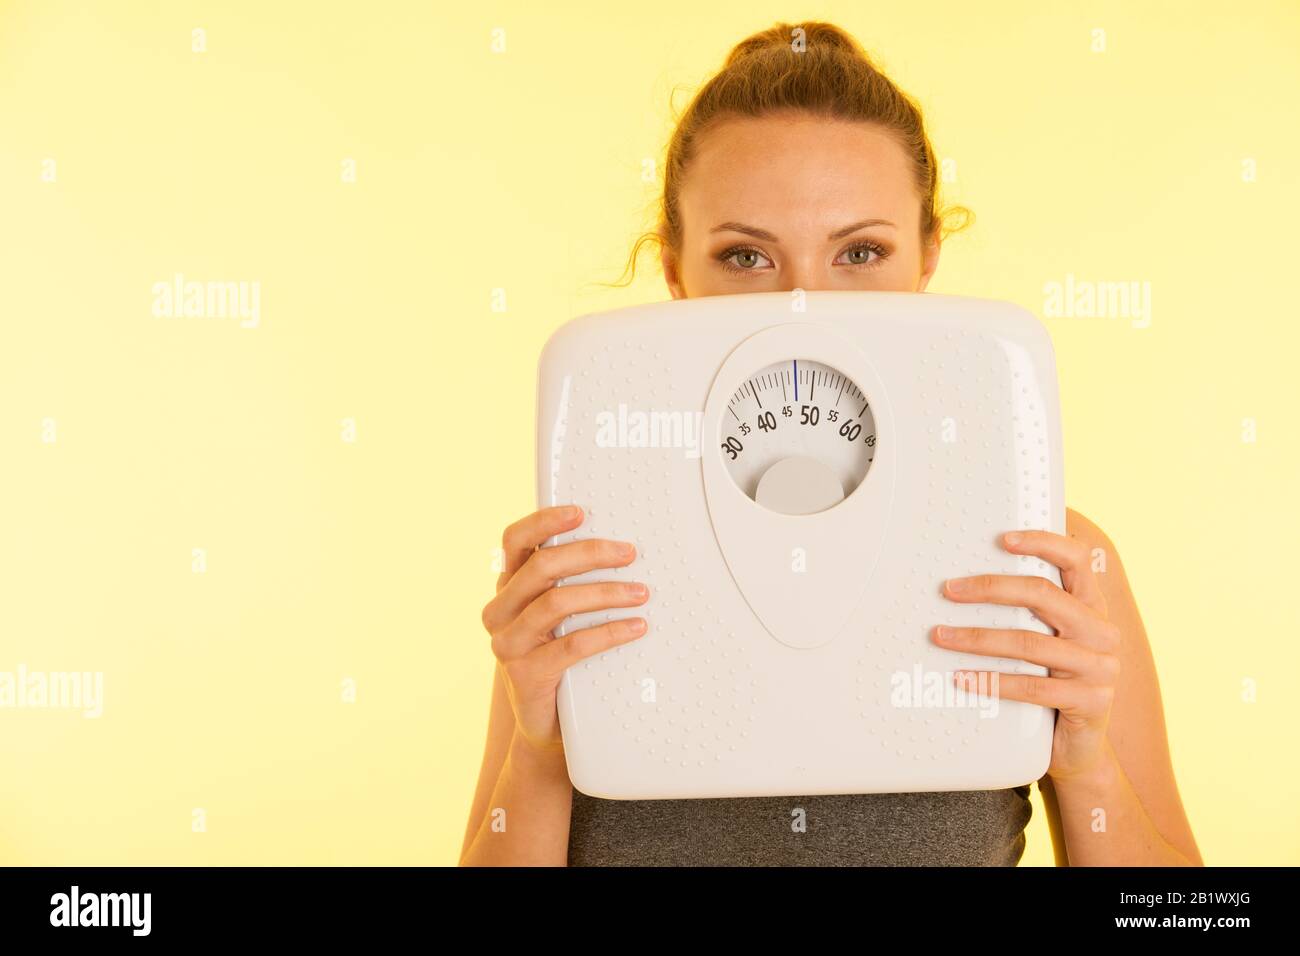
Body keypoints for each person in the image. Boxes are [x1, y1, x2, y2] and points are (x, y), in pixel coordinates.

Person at [460, 20, 1202, 866]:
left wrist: (1089, 766)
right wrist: (542, 749)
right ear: (676, 275)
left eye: (859, 250)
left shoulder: (1051, 564)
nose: (804, 303)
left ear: (926, 259)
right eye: (745, 255)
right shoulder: (591, 569)